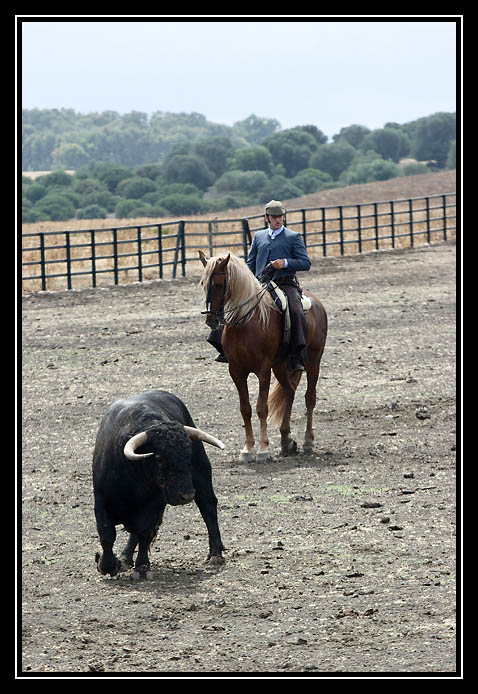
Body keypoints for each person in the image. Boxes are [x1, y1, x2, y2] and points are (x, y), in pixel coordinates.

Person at [208, 200, 311, 371]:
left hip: (284, 283)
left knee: (294, 309)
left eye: (280, 217)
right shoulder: (258, 236)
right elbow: (251, 263)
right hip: (259, 283)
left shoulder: (294, 237)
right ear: (266, 218)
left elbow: (305, 263)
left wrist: (285, 263)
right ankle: (223, 345)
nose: (278, 220)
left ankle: (295, 354)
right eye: (274, 217)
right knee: (231, 304)